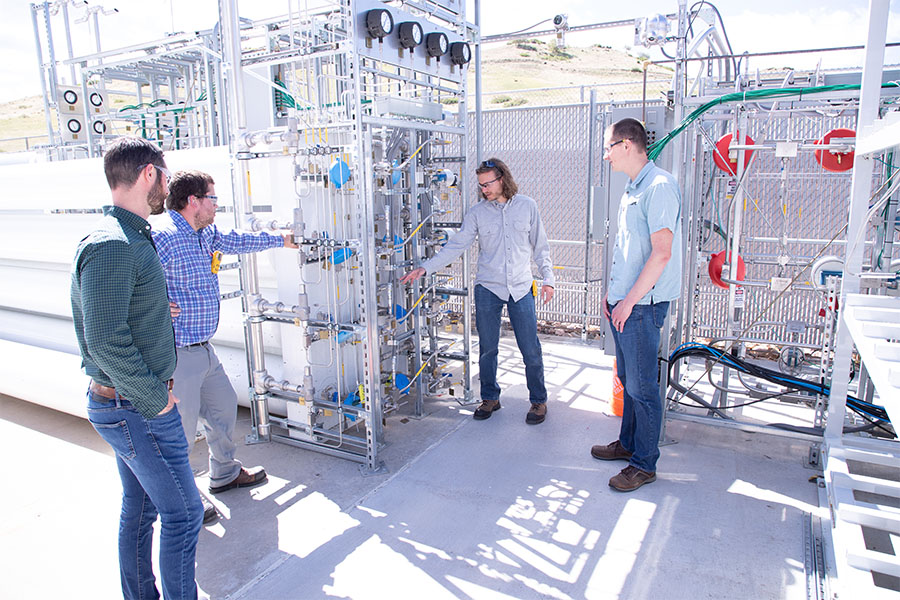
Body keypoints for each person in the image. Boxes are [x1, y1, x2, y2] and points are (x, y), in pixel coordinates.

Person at [71, 137, 203, 599]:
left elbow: (114, 314)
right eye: (165, 175)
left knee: (141, 508)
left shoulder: (128, 237)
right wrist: (158, 400)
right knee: (185, 514)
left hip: (130, 403)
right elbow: (106, 342)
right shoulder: (114, 244)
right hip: (137, 408)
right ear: (150, 174)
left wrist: (152, 309)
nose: (166, 185)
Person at [153, 170, 298, 522]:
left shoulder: (205, 235)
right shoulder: (166, 238)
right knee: (180, 433)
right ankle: (184, 502)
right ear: (194, 201)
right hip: (176, 353)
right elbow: (134, 279)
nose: (217, 207)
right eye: (213, 199)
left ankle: (224, 473)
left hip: (203, 348)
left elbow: (239, 241)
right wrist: (153, 303)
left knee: (222, 409)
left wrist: (282, 240)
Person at [400, 158, 555, 424]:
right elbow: (456, 246)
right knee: (487, 348)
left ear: (502, 178)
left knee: (530, 347)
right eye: (481, 185)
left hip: (520, 286)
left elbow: (541, 247)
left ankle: (538, 401)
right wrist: (425, 268)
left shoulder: (528, 206)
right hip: (488, 288)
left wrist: (548, 279)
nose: (484, 189)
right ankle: (490, 398)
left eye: (489, 184)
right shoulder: (477, 213)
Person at [590, 118, 682, 492]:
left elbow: (661, 255)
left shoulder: (659, 187)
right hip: (625, 303)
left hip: (642, 306)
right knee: (629, 382)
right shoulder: (633, 187)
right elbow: (630, 250)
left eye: (608, 148)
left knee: (643, 387)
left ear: (626, 145)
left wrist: (628, 301)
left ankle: (644, 464)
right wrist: (613, 294)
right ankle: (628, 444)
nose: (606, 155)